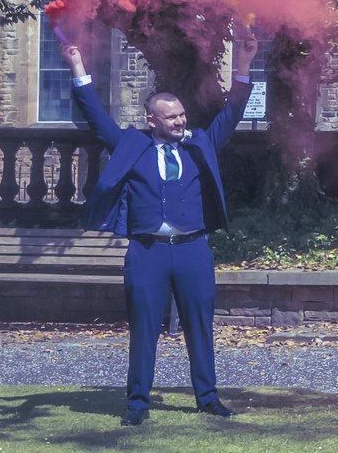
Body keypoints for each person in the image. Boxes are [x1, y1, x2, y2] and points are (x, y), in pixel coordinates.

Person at [63, 22, 259, 427]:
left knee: (200, 326)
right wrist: (78, 66)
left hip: (193, 249)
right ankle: (138, 402)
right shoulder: (132, 146)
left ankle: (208, 398)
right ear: (151, 120)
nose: (180, 122)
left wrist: (244, 65)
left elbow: (232, 114)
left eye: (182, 115)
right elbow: (98, 119)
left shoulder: (200, 143)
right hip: (147, 251)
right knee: (144, 327)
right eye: (171, 117)